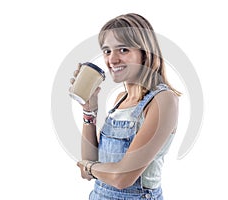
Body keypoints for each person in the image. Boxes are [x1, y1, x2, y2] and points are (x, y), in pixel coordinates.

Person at [70, 13, 181, 200]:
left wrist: (89, 167)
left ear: (145, 53)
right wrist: (89, 110)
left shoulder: (163, 101)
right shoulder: (120, 99)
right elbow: (88, 167)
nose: (112, 60)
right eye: (107, 51)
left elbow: (123, 177)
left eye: (123, 50)